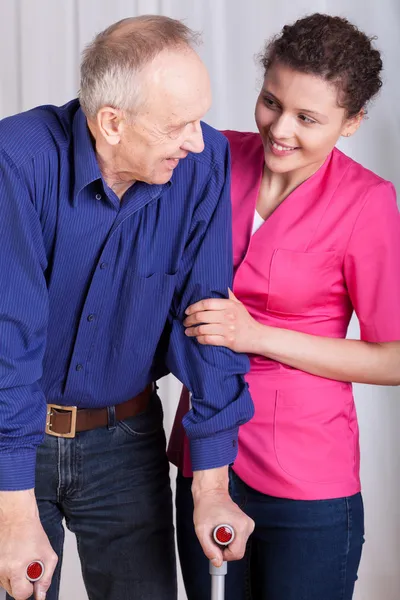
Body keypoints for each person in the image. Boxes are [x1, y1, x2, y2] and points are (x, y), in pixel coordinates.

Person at [0, 15, 255, 600]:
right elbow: (7, 338)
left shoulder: (203, 161)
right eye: (177, 125)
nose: (197, 139)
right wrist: (12, 512)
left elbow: (205, 317)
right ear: (112, 123)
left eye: (199, 118)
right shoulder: (17, 162)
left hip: (125, 440)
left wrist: (212, 484)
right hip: (13, 440)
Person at [169, 13, 400, 600]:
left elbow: (393, 358)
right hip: (208, 459)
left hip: (308, 474)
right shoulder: (210, 159)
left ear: (352, 124)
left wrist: (259, 335)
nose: (280, 129)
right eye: (271, 102)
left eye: (308, 118)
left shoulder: (368, 202)